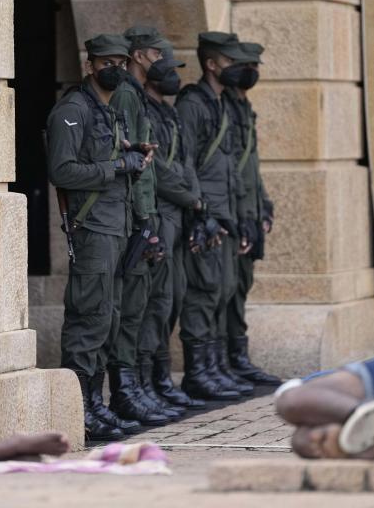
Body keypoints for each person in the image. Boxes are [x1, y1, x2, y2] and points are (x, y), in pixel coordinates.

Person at [45, 33, 148, 442]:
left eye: (122, 63)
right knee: (89, 318)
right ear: (90, 65)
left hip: (116, 225)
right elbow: (63, 171)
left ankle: (97, 403)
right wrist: (118, 165)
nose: (115, 70)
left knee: (109, 318)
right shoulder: (73, 110)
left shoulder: (108, 112)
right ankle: (79, 408)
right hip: (92, 229)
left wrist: (131, 156)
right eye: (107, 63)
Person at [124, 26, 204, 415]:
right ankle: (139, 383)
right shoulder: (135, 102)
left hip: (176, 212)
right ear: (140, 56)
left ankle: (156, 379)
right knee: (149, 303)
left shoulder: (167, 111)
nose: (169, 71)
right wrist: (191, 197)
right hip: (156, 210)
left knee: (168, 299)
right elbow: (155, 169)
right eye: (161, 59)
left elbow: (185, 161)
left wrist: (194, 200)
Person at [175, 32, 257, 401]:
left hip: (224, 213)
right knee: (204, 293)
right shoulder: (193, 104)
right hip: (206, 212)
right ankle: (198, 372)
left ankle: (216, 367)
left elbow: (233, 167)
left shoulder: (223, 103)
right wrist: (200, 209)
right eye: (230, 61)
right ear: (211, 64)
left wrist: (245, 213)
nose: (238, 69)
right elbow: (186, 160)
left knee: (222, 290)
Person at [100, 27, 171, 428]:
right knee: (124, 308)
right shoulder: (127, 94)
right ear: (143, 55)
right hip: (131, 215)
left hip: (142, 213)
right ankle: (123, 390)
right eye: (159, 53)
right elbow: (135, 166)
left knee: (140, 305)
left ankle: (135, 386)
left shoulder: (135, 93)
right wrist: (144, 218)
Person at [222, 42, 281, 387]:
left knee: (240, 286)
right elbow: (224, 170)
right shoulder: (223, 107)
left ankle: (237, 359)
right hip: (231, 213)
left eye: (255, 66)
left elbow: (251, 168)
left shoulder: (244, 108)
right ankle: (223, 364)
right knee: (222, 290)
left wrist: (264, 206)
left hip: (248, 211)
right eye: (245, 65)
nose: (251, 72)